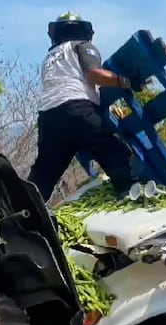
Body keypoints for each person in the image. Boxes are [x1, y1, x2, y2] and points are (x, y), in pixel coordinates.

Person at [28, 12, 136, 201]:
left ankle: (23, 213)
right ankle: (128, 195)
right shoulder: (81, 46)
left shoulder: (48, 59)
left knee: (44, 175)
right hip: (76, 109)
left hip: (48, 118)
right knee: (113, 150)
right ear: (83, 30)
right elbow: (93, 74)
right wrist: (124, 81)